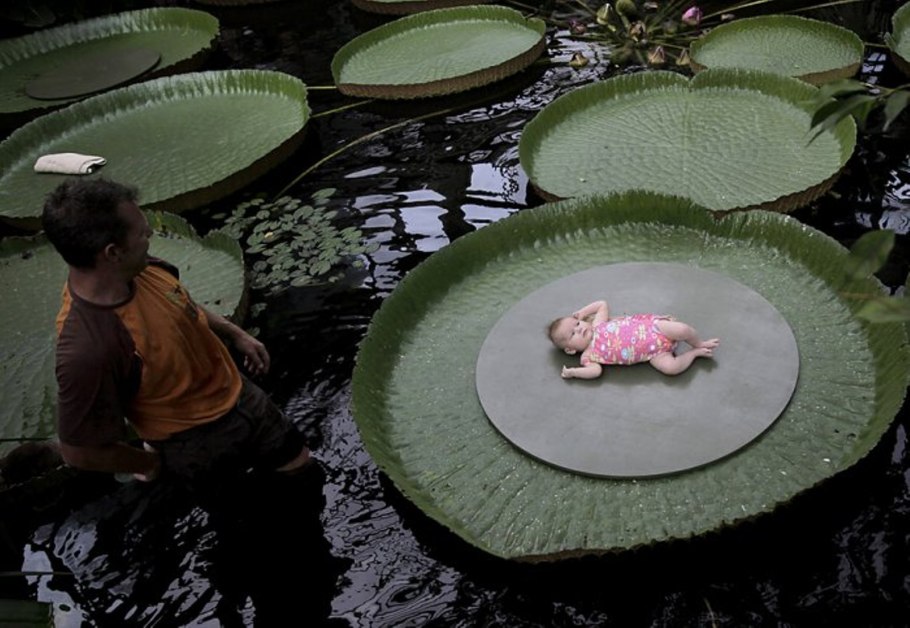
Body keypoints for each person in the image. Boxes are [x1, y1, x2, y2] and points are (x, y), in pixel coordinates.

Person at [42, 178, 311, 484]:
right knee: (240, 515)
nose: (151, 235)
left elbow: (180, 302)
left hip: (239, 394)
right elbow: (79, 451)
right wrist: (148, 464)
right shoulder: (89, 348)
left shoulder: (140, 269)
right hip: (194, 442)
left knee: (301, 469)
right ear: (113, 253)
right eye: (143, 233)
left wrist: (234, 332)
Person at [548, 299, 719, 380]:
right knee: (671, 368)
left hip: (655, 328)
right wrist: (574, 372)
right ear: (570, 349)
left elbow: (602, 304)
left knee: (682, 329)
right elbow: (595, 372)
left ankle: (699, 343)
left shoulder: (597, 325)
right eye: (573, 334)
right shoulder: (588, 356)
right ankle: (694, 353)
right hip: (653, 354)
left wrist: (583, 312)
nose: (580, 328)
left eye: (577, 324)